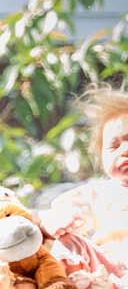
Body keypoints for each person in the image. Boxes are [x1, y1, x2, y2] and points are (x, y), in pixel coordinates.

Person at [44, 84, 128, 278]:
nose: (124, 151)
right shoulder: (96, 193)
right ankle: (66, 285)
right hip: (104, 271)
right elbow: (61, 209)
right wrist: (60, 221)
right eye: (113, 146)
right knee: (67, 239)